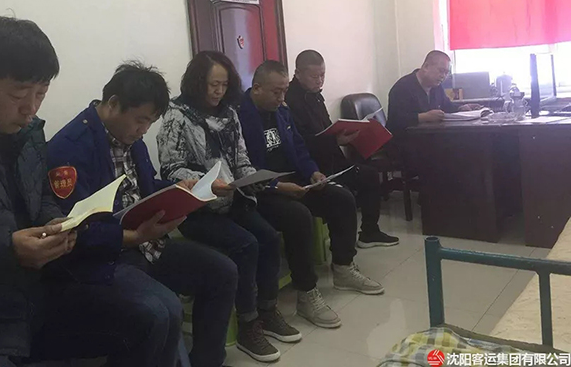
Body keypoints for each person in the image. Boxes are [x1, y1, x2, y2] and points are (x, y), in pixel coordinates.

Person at [0, 17, 182, 367]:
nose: (31, 109)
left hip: (35, 294)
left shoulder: (26, 132)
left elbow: (41, 197)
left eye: (41, 94)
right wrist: (7, 251)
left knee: (151, 317)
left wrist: (57, 222)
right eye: (19, 95)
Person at [47, 61, 238, 367]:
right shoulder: (69, 149)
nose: (144, 130)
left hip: (147, 243)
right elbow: (73, 229)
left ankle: (207, 360)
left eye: (150, 122)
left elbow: (144, 187)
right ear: (113, 104)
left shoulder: (130, 138)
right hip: (105, 258)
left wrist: (185, 189)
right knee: (162, 310)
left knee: (222, 272)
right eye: (140, 120)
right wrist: (132, 237)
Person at [157, 51, 301, 363]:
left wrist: (251, 179)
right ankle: (248, 324)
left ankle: (267, 310)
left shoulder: (229, 114)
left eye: (224, 85)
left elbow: (240, 158)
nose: (219, 91)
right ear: (197, 82)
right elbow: (170, 169)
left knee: (268, 237)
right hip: (196, 207)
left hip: (232, 198)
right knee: (246, 244)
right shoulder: (176, 116)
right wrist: (206, 183)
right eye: (213, 84)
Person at [237, 60, 385, 330]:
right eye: (276, 92)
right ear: (256, 88)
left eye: (284, 91)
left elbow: (299, 148)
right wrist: (277, 186)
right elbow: (242, 168)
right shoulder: (239, 116)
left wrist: (313, 172)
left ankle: (343, 268)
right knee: (299, 216)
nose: (282, 97)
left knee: (342, 198)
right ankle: (306, 293)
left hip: (294, 181)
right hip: (261, 192)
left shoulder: (282, 111)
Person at [284, 50, 399, 248]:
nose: (320, 81)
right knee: (345, 193)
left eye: (323, 75)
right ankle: (342, 247)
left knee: (370, 175)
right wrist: (335, 140)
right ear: (298, 73)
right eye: (314, 76)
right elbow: (299, 142)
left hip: (332, 157)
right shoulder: (290, 101)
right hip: (312, 166)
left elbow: (327, 129)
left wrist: (343, 135)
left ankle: (369, 232)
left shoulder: (315, 96)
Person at [387, 50, 482, 138]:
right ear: (426, 67)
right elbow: (396, 120)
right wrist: (423, 117)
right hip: (405, 142)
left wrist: (461, 108)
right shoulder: (402, 87)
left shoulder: (436, 86)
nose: (443, 76)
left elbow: (447, 106)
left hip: (430, 138)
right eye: (441, 71)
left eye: (446, 73)